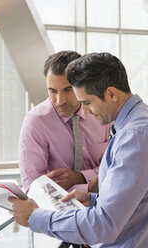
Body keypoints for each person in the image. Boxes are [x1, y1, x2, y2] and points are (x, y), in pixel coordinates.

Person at [10, 52, 148, 247]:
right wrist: (94, 199)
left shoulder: (134, 136)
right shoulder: (143, 123)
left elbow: (103, 225)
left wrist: (35, 217)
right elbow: (136, 198)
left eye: (87, 103)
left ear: (112, 94)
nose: (86, 111)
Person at [18, 50, 110, 193]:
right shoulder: (36, 122)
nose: (60, 101)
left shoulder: (102, 114)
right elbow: (34, 188)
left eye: (68, 90)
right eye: (52, 91)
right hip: (55, 211)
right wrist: (88, 187)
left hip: (104, 206)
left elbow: (115, 167)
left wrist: (79, 177)